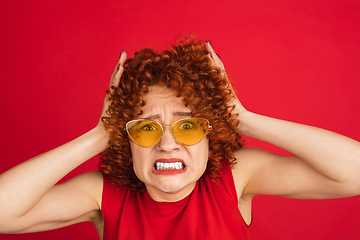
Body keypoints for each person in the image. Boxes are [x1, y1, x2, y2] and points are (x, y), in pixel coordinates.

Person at [0, 38, 360, 240]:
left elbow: (353, 171)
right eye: (146, 127)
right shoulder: (102, 194)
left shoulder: (233, 179)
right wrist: (98, 136)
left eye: (187, 126)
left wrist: (245, 119)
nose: (168, 144)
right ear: (125, 141)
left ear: (211, 134)